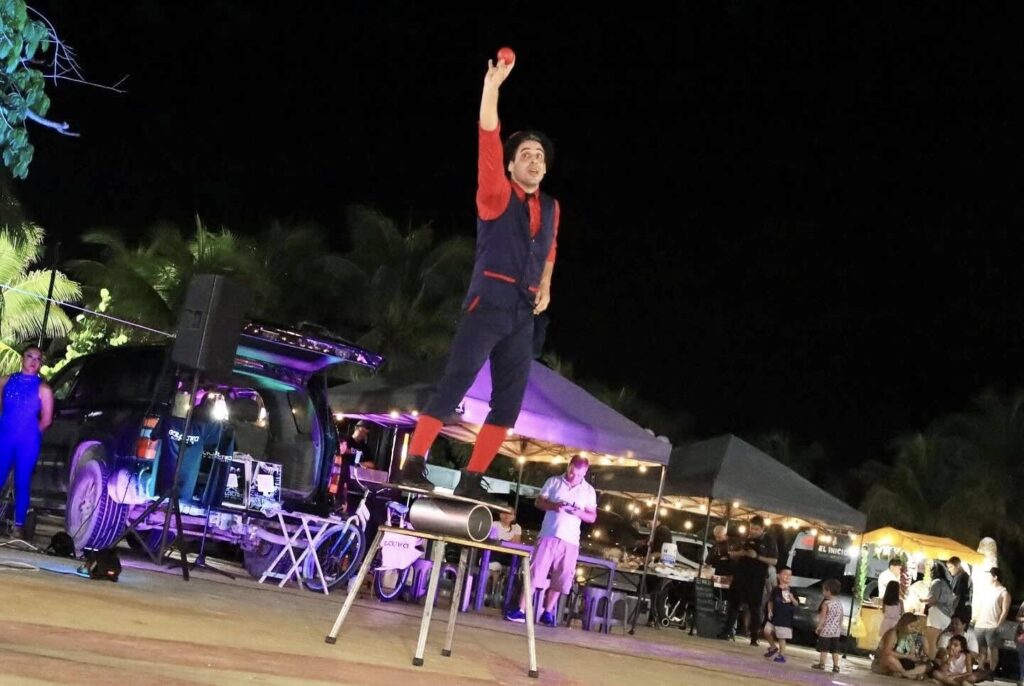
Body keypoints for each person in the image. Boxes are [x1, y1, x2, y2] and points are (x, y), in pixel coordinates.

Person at [397, 54, 560, 504]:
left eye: (539, 155)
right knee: (454, 383)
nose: (533, 159)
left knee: (509, 403)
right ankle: (415, 463)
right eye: (525, 154)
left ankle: (472, 477)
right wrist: (493, 85)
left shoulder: (551, 207)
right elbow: (488, 134)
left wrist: (545, 282)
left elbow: (551, 248)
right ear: (510, 166)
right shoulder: (494, 191)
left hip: (522, 313)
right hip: (487, 301)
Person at [505, 455, 595, 627]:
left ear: (585, 473)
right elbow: (539, 502)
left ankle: (548, 611)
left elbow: (592, 516)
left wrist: (578, 513)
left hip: (570, 540)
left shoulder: (588, 491)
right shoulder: (554, 481)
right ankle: (521, 609)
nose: (573, 477)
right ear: (568, 467)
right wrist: (555, 506)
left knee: (562, 577)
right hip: (549, 534)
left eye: (578, 475)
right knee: (535, 572)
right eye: (571, 473)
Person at [0, 345, 54, 540]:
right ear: (22, 358)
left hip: (27, 442)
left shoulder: (43, 389)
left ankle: (18, 526)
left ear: (41, 364)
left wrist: (30, 432)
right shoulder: (6, 381)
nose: (33, 361)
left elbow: (47, 419)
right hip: (4, 437)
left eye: (38, 359)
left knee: (22, 481)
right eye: (29, 356)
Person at [719, 515, 778, 645]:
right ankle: (726, 631)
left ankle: (754, 637)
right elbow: (732, 554)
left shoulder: (769, 541)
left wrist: (757, 556)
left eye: (756, 529)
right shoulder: (744, 538)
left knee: (754, 607)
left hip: (756, 578)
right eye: (751, 528)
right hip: (740, 575)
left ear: (762, 529)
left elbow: (774, 561)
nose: (753, 531)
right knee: (733, 604)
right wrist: (742, 553)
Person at [974, 567, 1010, 675]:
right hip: (980, 623)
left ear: (995, 577)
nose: (987, 578)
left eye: (989, 576)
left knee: (992, 649)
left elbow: (1005, 610)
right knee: (982, 648)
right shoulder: (986, 590)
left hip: (992, 625)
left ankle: (991, 670)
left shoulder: (1003, 592)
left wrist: (998, 625)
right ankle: (980, 668)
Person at [872, 612, 930, 678]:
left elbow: (912, 653)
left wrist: (917, 657)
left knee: (928, 665)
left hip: (900, 663)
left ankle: (904, 673)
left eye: (915, 627)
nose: (913, 629)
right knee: (890, 658)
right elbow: (887, 652)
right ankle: (906, 674)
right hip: (883, 662)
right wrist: (905, 656)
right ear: (904, 624)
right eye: (911, 626)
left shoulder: (909, 636)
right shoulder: (893, 633)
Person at [923, 561, 958, 659]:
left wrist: (922, 600)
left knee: (930, 642)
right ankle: (934, 661)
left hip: (937, 614)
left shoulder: (936, 582)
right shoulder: (947, 585)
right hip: (946, 616)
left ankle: (931, 662)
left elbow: (933, 599)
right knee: (931, 641)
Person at [763, 566, 798, 663]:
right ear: (779, 576)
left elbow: (796, 604)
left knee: (781, 638)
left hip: (785, 619)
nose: (787, 577)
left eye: (789, 575)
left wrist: (792, 598)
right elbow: (771, 601)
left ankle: (782, 655)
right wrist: (770, 611)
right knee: (766, 631)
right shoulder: (775, 589)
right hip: (774, 616)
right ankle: (773, 647)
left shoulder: (792, 590)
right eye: (785, 574)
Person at [812, 578, 844, 673]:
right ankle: (836, 666)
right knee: (835, 650)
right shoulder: (839, 603)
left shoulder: (826, 603)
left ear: (828, 591)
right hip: (835, 631)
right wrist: (839, 626)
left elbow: (823, 617)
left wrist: (819, 627)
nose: (822, 592)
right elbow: (841, 617)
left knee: (824, 649)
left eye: (823, 590)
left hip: (826, 630)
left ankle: (822, 664)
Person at [488, 510, 523, 592]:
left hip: (509, 556)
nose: (507, 515)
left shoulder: (516, 527)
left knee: (516, 563)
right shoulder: (494, 524)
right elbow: (493, 541)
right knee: (494, 566)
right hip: (495, 554)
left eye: (510, 513)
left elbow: (516, 544)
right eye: (504, 512)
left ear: (514, 516)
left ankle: (505, 592)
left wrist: (504, 542)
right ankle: (493, 592)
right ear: (500, 514)